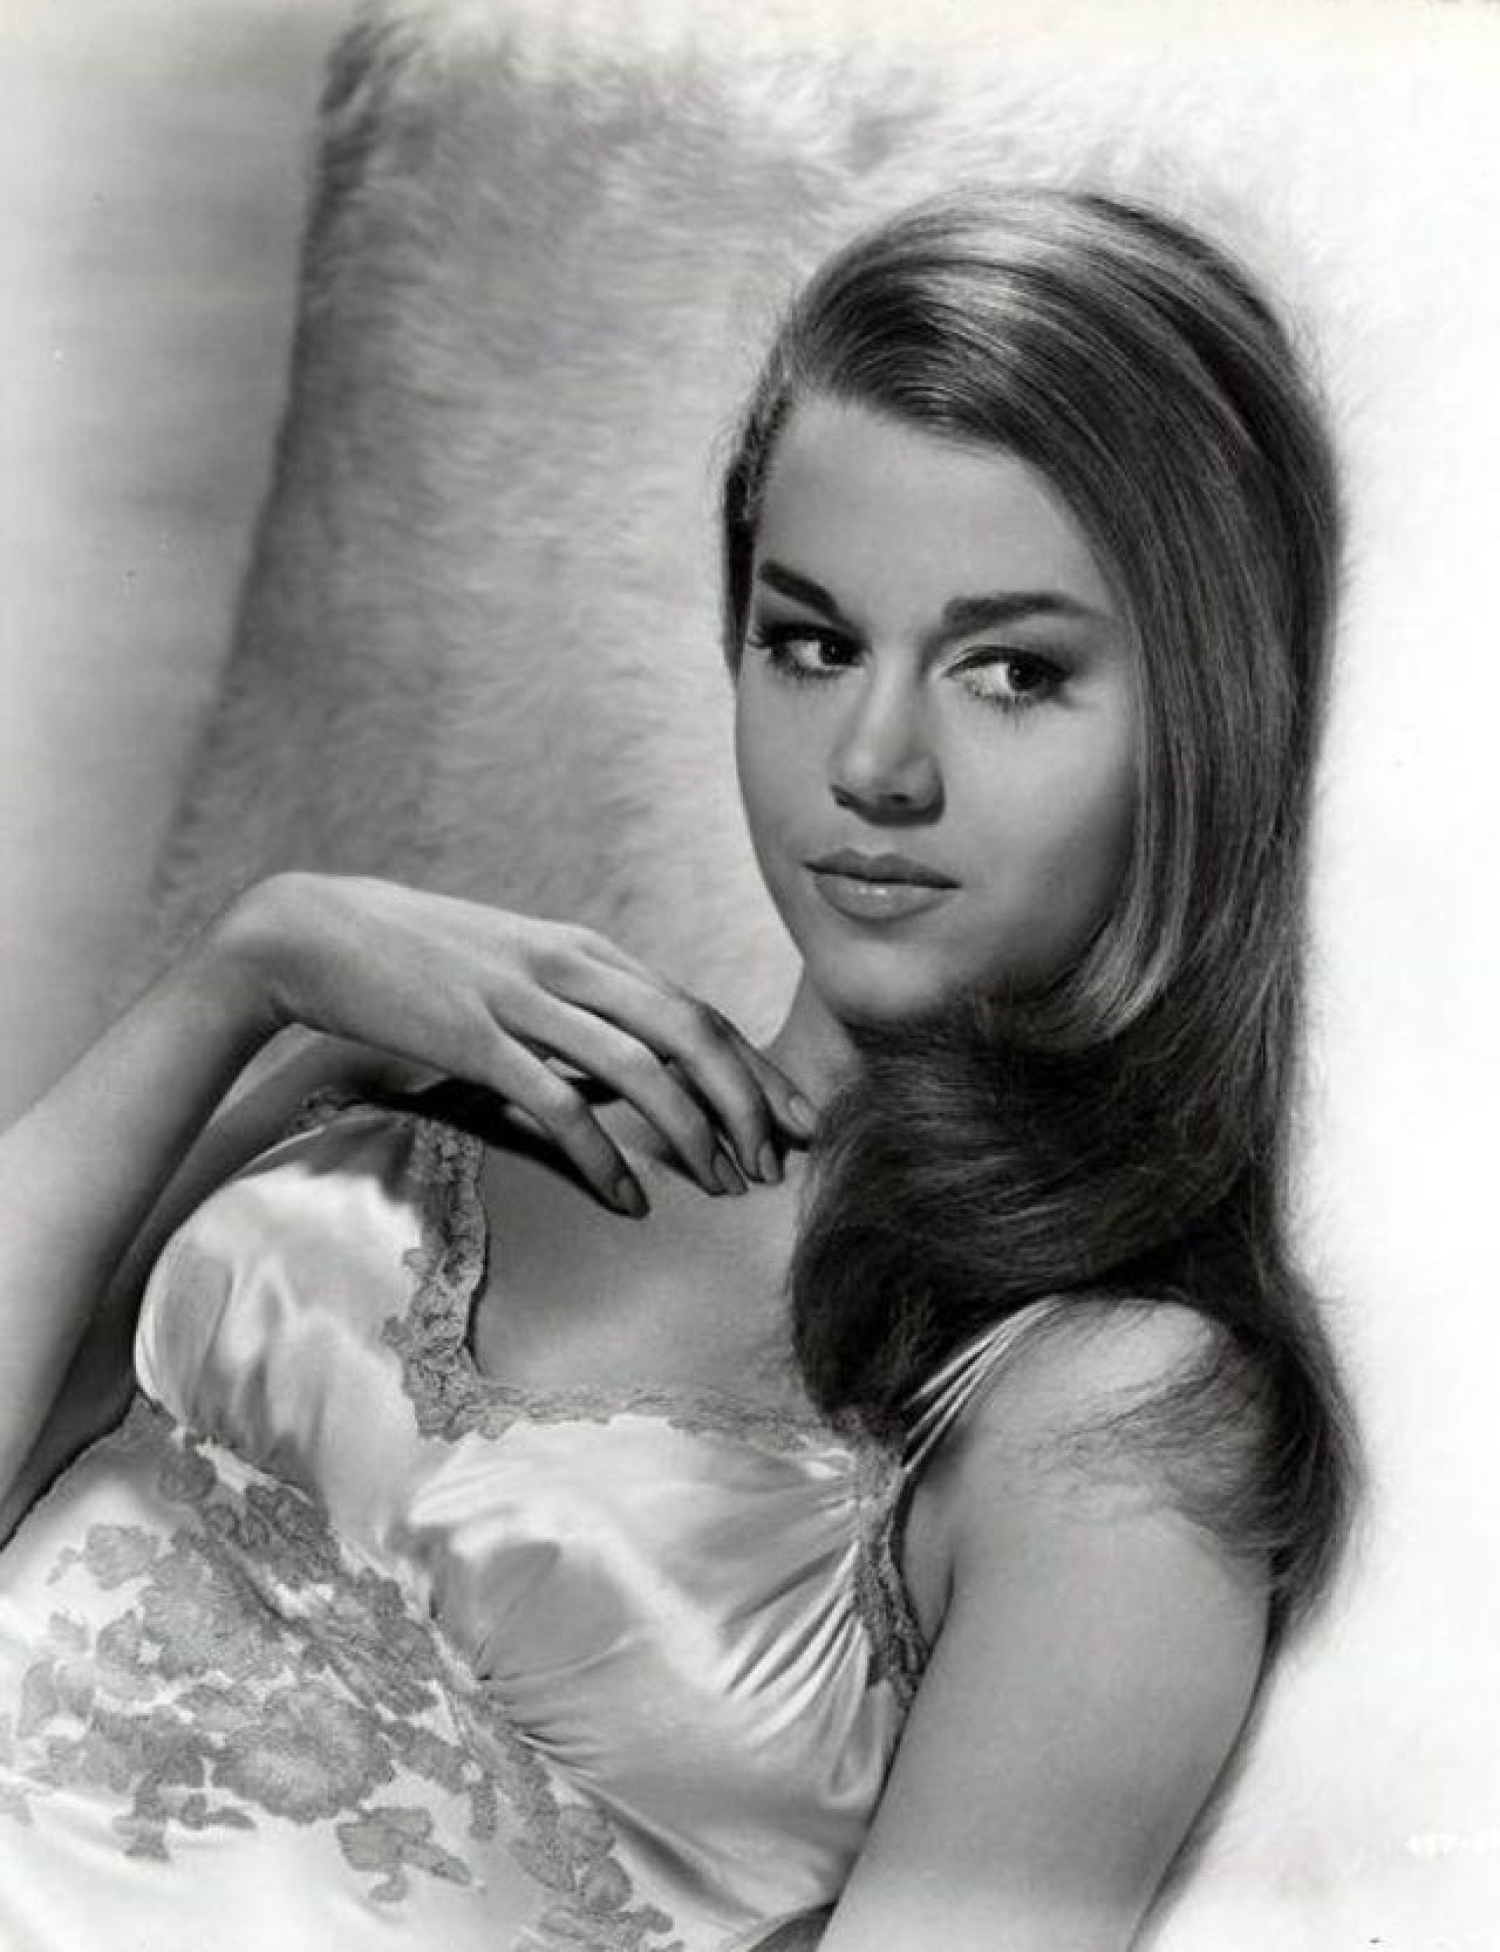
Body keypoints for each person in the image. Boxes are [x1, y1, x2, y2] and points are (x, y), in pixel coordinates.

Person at [0, 187, 1355, 1951]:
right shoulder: (401, 1068)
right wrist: (244, 971)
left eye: (1012, 671)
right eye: (813, 642)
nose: (874, 763)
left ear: (1211, 718)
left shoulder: (1111, 1408)